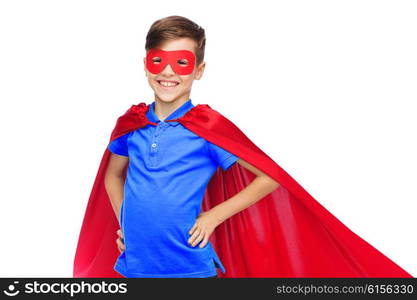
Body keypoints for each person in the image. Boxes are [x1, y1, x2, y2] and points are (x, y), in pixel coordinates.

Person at [73, 15, 412, 279]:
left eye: (182, 63)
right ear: (146, 64)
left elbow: (269, 177)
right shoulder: (132, 125)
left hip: (189, 265)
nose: (169, 73)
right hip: (135, 264)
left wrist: (214, 216)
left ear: (199, 70)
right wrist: (126, 222)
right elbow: (113, 176)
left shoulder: (206, 128)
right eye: (159, 61)